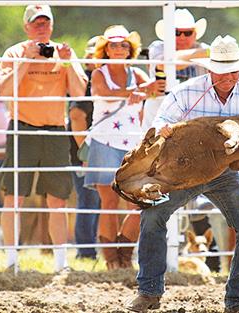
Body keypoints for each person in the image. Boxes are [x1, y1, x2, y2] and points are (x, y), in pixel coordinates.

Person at [126, 35, 239, 313]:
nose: (228, 76)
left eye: (233, 70)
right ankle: (149, 291)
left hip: (224, 171)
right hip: (184, 172)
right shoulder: (186, 92)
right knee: (152, 216)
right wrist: (163, 129)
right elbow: (161, 121)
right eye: (222, 70)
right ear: (210, 69)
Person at [0, 5, 88, 272]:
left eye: (45, 23)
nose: (41, 28)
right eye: (36, 23)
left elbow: (80, 92)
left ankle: (61, 264)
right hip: (22, 129)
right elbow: (4, 91)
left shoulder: (63, 53)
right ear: (27, 27)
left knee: (58, 199)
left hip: (56, 130)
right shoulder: (14, 52)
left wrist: (69, 61)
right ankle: (12, 262)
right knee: (14, 196)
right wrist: (28, 59)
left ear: (52, 26)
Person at [146, 8, 221, 272]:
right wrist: (203, 52)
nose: (181, 37)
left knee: (201, 197)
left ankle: (210, 262)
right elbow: (168, 63)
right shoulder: (158, 49)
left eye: (186, 33)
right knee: (158, 195)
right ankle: (153, 259)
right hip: (164, 135)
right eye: (175, 33)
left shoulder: (204, 52)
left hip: (197, 135)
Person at [84, 25, 164, 270]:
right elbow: (104, 93)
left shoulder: (137, 74)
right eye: (114, 44)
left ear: (130, 49)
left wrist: (151, 86)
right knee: (108, 201)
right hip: (104, 140)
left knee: (136, 202)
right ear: (105, 49)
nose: (119, 48)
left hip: (131, 143)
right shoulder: (100, 73)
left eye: (123, 44)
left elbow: (157, 88)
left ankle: (124, 251)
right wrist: (142, 90)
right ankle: (111, 260)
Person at [67, 36, 101, 260]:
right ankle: (86, 252)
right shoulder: (87, 81)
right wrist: (86, 153)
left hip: (88, 150)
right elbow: (76, 116)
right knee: (89, 199)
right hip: (85, 152)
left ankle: (88, 250)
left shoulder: (90, 79)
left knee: (94, 199)